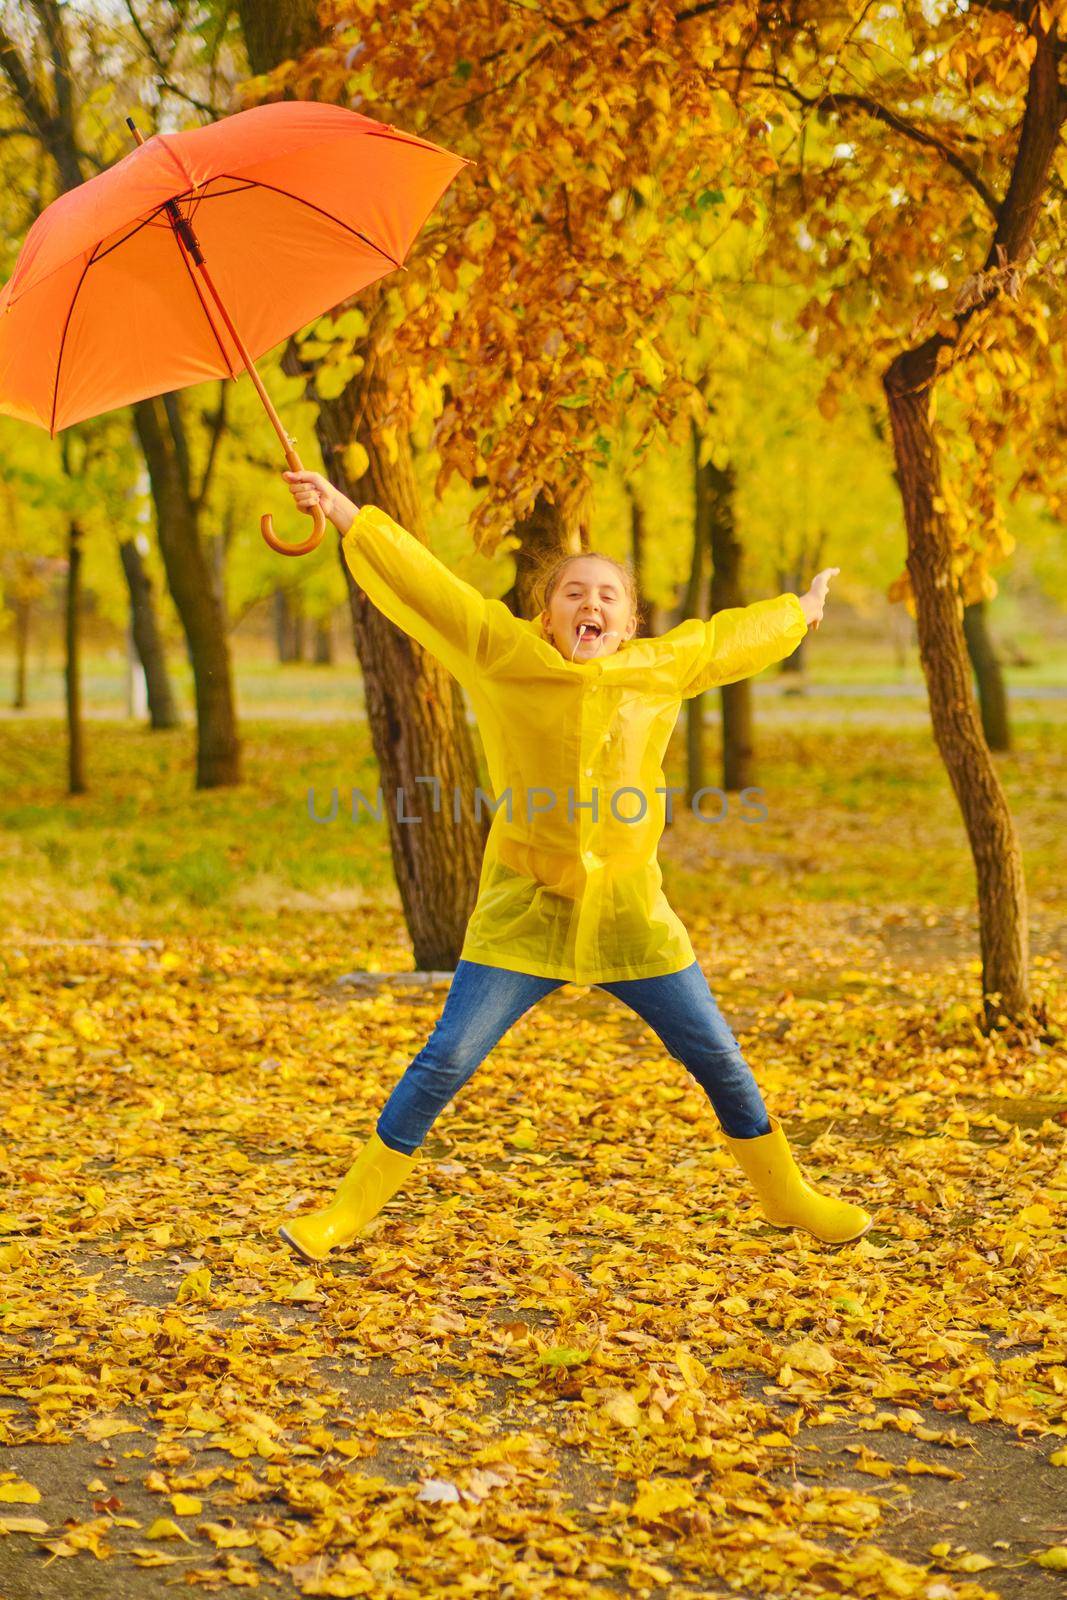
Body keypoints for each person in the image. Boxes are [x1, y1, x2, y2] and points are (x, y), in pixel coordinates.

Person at [276, 469, 872, 1263]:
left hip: (632, 916)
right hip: (526, 909)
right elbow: (432, 587)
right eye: (572, 593)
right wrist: (345, 513)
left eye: (606, 597)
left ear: (627, 621)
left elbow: (726, 640)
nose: (589, 605)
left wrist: (800, 610)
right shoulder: (502, 656)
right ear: (545, 611)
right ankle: (345, 1213)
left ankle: (785, 1194)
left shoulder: (656, 668)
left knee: (717, 1055)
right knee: (447, 1057)